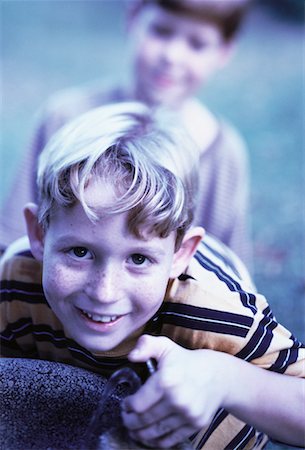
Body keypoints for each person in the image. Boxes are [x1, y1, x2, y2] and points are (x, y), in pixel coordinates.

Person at [1, 103, 304, 450]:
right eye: (80, 252)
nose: (104, 291)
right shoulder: (16, 282)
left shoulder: (215, 313)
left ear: (181, 255)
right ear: (38, 235)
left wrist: (223, 378)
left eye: (139, 258)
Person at [0, 0, 253, 267]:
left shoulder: (223, 151)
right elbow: (13, 239)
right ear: (132, 18)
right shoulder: (64, 116)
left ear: (225, 51)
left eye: (197, 44)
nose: (172, 56)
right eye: (161, 31)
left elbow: (231, 269)